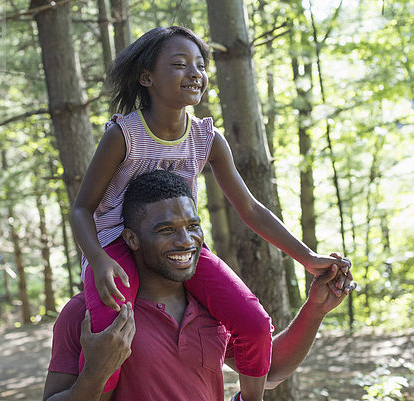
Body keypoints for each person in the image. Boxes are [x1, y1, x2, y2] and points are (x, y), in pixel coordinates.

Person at [71, 26, 352, 398]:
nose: (194, 73)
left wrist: (307, 258)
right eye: (179, 64)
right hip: (115, 245)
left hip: (181, 246)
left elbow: (250, 208)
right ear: (146, 77)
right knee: (111, 335)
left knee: (254, 324)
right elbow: (81, 209)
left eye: (200, 65)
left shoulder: (206, 138)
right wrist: (98, 260)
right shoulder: (124, 135)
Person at [45, 171, 356, 401]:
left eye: (193, 227)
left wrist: (315, 310)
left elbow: (269, 370)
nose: (185, 241)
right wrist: (96, 372)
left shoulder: (212, 307)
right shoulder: (87, 313)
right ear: (132, 239)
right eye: (166, 230)